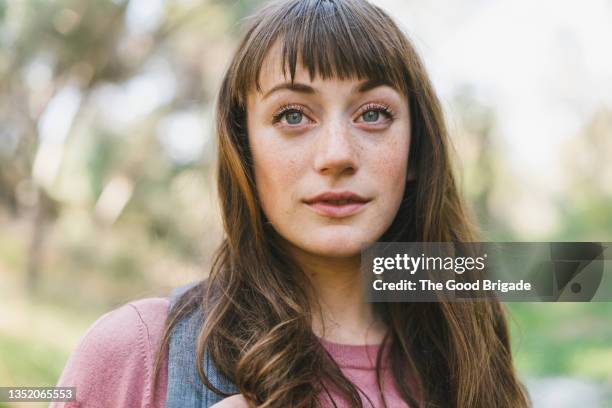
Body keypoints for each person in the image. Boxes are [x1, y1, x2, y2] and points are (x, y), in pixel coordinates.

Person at [52, 0, 531, 407]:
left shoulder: (472, 358)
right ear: (245, 150)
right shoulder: (134, 351)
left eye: (373, 114)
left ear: (415, 151)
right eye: (293, 116)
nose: (337, 155)